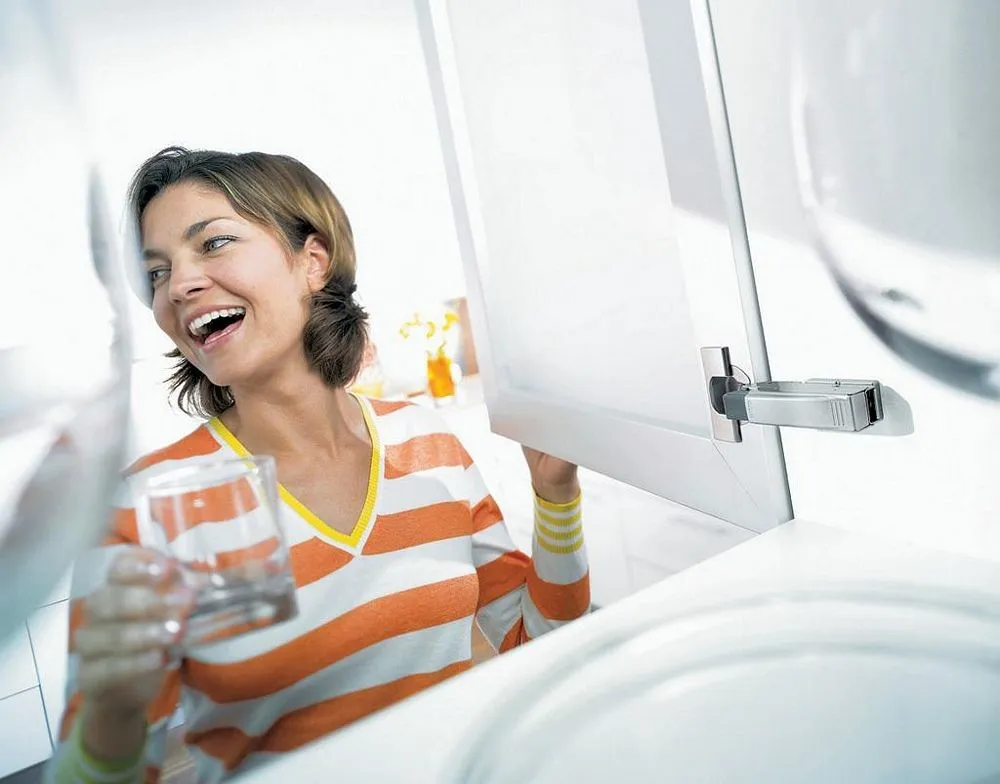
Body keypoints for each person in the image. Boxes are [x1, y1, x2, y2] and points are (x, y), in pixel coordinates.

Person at [48, 147, 590, 783]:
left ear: (312, 261)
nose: (179, 286)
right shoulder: (143, 509)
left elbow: (532, 646)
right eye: (157, 273)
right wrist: (112, 713)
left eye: (214, 243)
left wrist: (556, 495)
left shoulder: (424, 441)